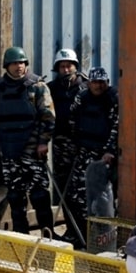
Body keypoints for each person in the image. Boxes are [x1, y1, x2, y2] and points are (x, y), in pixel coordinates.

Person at [0, 46, 55, 236]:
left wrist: (43, 142)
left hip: (32, 151)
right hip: (8, 151)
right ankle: (21, 237)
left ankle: (48, 236)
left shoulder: (37, 86)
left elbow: (49, 117)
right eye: (14, 63)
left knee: (39, 195)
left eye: (22, 63)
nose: (19, 66)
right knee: (15, 196)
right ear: (6, 66)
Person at [66, 66, 119, 246]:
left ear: (107, 83)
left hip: (103, 157)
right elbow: (72, 121)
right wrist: (74, 146)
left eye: (102, 82)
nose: (98, 86)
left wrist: (110, 150)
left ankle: (104, 238)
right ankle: (82, 236)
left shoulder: (113, 99)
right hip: (83, 153)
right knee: (77, 197)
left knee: (103, 199)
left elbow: (116, 127)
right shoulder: (82, 97)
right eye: (95, 82)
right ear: (89, 83)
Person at [47, 49, 87, 240]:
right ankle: (71, 232)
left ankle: (84, 233)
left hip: (81, 147)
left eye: (69, 66)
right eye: (62, 66)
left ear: (75, 67)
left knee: (80, 192)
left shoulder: (85, 87)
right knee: (64, 190)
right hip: (60, 146)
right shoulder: (51, 88)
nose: (65, 69)